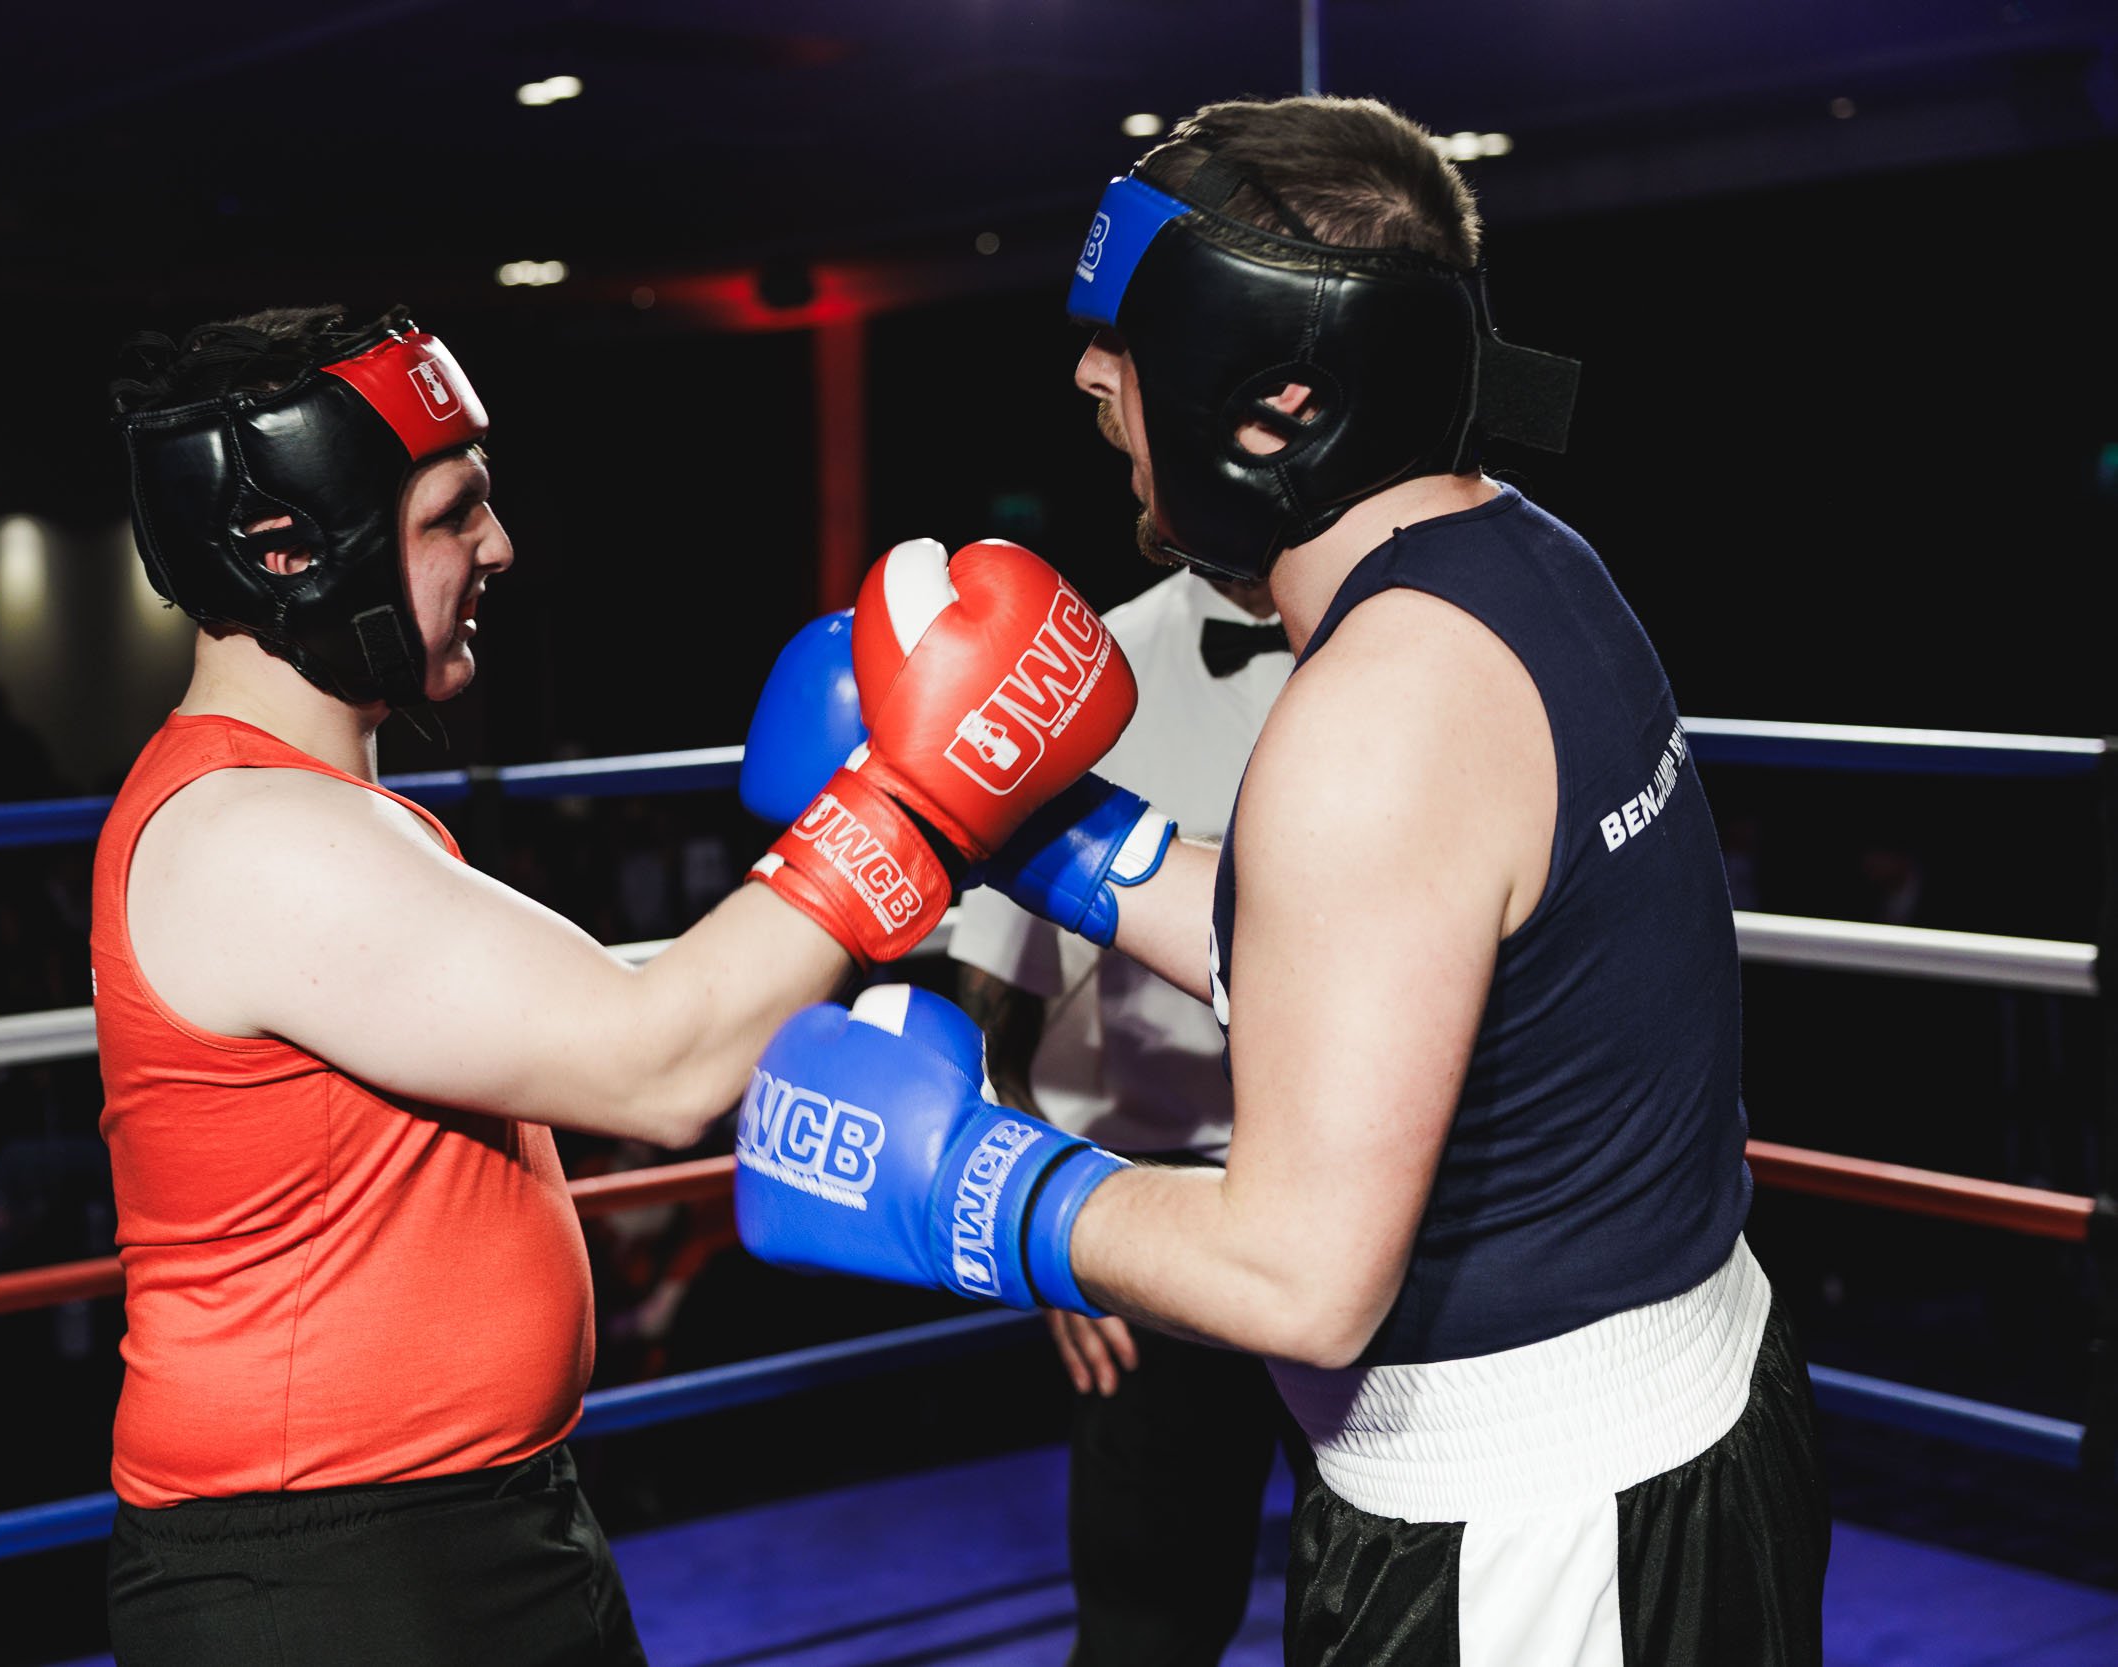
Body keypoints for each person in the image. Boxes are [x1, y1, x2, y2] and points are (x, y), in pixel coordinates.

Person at [734, 97, 1829, 1664]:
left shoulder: (1370, 711)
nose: (1089, 378)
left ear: (1271, 402)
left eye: (1124, 337)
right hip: (1662, 1413)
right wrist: (1026, 820)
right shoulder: (1520, 558)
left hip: (1529, 1518)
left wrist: (966, 1180)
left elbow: (1301, 1279)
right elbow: (1361, 955)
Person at [93, 304, 1133, 1665]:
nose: (499, 547)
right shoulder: (246, 837)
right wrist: (920, 797)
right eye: (452, 513)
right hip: (332, 1571)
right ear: (291, 547)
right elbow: (657, 1062)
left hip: (466, 1524)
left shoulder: (321, 813)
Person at [948, 566, 1295, 1667]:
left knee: (1397, 1613)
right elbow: (989, 998)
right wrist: (1038, 1215)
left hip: (1391, 1199)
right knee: (1147, 1629)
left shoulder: (1414, 646)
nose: (1096, 384)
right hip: (1151, 1215)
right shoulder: (1083, 668)